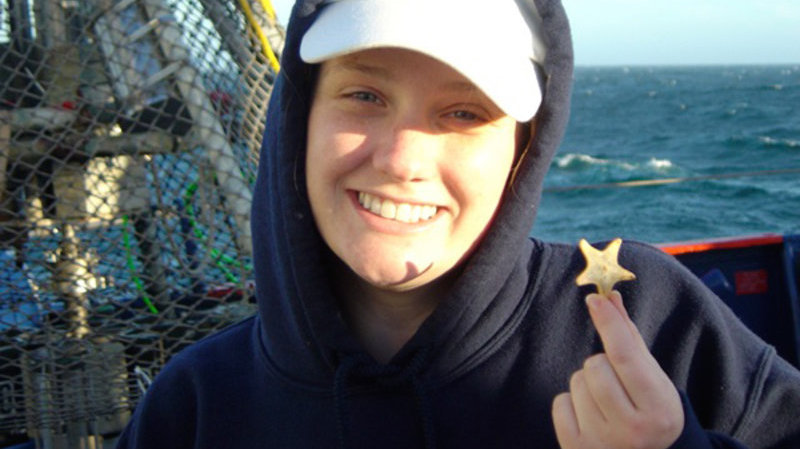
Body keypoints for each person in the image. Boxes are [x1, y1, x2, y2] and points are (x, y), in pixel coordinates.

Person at [115, 0, 800, 448]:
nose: (403, 158)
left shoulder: (649, 321)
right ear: (300, 118)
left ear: (523, 152)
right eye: (364, 94)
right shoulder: (195, 407)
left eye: (464, 113)